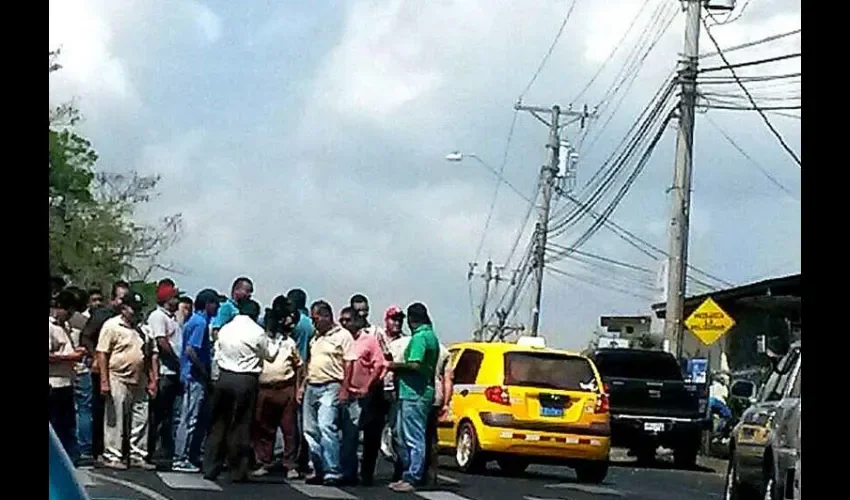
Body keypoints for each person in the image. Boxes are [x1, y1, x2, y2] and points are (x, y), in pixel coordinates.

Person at [203, 299, 278, 482]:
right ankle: (237, 469)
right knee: (241, 424)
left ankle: (211, 466)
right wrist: (273, 337)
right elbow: (271, 355)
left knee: (219, 423)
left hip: (224, 376)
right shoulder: (257, 331)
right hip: (246, 379)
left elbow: (217, 351)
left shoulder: (226, 329)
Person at [96, 293, 159, 470]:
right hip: (117, 376)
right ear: (124, 309)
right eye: (133, 309)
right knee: (115, 417)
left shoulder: (144, 329)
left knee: (141, 417)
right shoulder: (112, 326)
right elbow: (102, 353)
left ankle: (138, 454)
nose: (137, 313)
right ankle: (113, 455)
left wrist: (153, 379)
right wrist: (104, 380)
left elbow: (151, 355)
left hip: (140, 377)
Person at [299, 300, 353, 486]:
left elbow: (349, 363)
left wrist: (345, 388)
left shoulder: (343, 336)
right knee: (310, 430)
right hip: (312, 385)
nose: (314, 323)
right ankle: (318, 467)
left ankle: (333, 470)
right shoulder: (316, 337)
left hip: (331, 385)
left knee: (326, 426)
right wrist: (302, 386)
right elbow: (309, 363)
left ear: (326, 317)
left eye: (316, 319)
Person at [387, 302, 440, 492]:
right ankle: (410, 472)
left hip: (414, 393)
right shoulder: (431, 336)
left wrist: (394, 366)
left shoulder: (420, 338)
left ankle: (413, 476)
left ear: (411, 319)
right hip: (417, 392)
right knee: (403, 434)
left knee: (412, 437)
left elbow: (416, 364)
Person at [251, 296, 302, 478]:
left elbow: (299, 366)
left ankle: (290, 465)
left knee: (289, 429)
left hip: (285, 388)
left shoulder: (288, 343)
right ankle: (264, 461)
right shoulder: (260, 341)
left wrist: (298, 389)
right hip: (264, 388)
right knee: (264, 427)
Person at [172, 289, 222, 473]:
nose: (217, 307)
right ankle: (181, 457)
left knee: (192, 417)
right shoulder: (200, 323)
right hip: (194, 377)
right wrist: (204, 371)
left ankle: (189, 455)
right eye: (215, 303)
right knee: (189, 418)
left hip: (190, 376)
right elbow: (191, 350)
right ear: (208, 303)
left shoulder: (195, 321)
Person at [81, 280, 130, 460]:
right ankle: (96, 449)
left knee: (118, 410)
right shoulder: (103, 316)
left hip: (120, 370)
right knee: (98, 409)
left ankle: (117, 447)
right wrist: (94, 356)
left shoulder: (129, 319)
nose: (123, 303)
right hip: (100, 368)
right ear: (112, 299)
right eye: (121, 299)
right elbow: (85, 337)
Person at [339, 308, 387, 486]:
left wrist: (368, 386)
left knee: (370, 436)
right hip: (346, 393)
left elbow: (379, 365)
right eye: (341, 320)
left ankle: (367, 473)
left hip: (366, 395)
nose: (344, 324)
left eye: (348, 320)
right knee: (348, 435)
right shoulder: (341, 340)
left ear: (356, 322)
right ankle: (347, 472)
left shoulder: (369, 340)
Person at [147, 279, 183, 463]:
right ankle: (150, 449)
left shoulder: (172, 318)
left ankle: (165, 449)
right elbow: (161, 342)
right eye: (175, 298)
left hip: (173, 373)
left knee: (169, 414)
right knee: (157, 414)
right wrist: (177, 361)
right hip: (164, 371)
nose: (178, 301)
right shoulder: (157, 317)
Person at [50, 289, 85, 460]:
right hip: (53, 383)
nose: (69, 316)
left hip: (67, 382)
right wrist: (69, 357)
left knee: (67, 424)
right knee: (55, 423)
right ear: (59, 308)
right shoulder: (50, 327)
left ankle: (69, 457)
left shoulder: (66, 327)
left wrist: (76, 352)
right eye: (68, 311)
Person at [286, 288, 314, 477]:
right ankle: (304, 457)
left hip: (290, 369)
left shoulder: (293, 323)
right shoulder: (311, 324)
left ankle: (292, 459)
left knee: (290, 420)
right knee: (305, 420)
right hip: (307, 370)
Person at [210, 277, 254, 382]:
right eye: (247, 291)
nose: (249, 295)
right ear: (236, 290)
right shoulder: (227, 307)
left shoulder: (241, 309)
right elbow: (216, 330)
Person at [424, 343, 453, 485]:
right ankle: (431, 473)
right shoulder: (443, 351)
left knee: (415, 435)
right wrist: (446, 403)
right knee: (431, 436)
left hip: (420, 394)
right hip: (437, 396)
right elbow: (448, 380)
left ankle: (413, 471)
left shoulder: (416, 344)